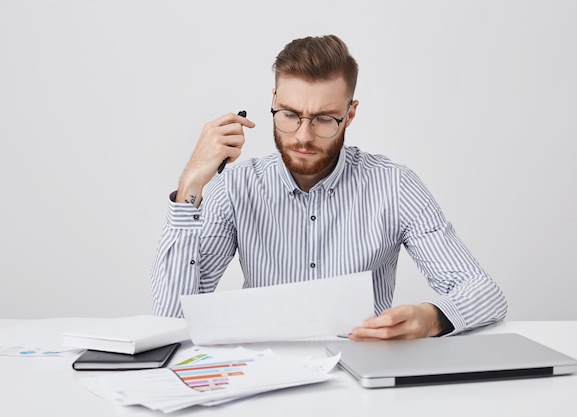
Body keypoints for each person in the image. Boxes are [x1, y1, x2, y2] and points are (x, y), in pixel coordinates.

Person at [150, 34, 507, 340]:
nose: (303, 137)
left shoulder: (394, 185)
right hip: (266, 375)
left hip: (364, 376)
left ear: (350, 114)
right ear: (273, 101)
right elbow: (171, 318)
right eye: (289, 114)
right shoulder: (238, 187)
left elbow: (484, 293)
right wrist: (191, 183)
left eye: (323, 119)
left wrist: (430, 319)